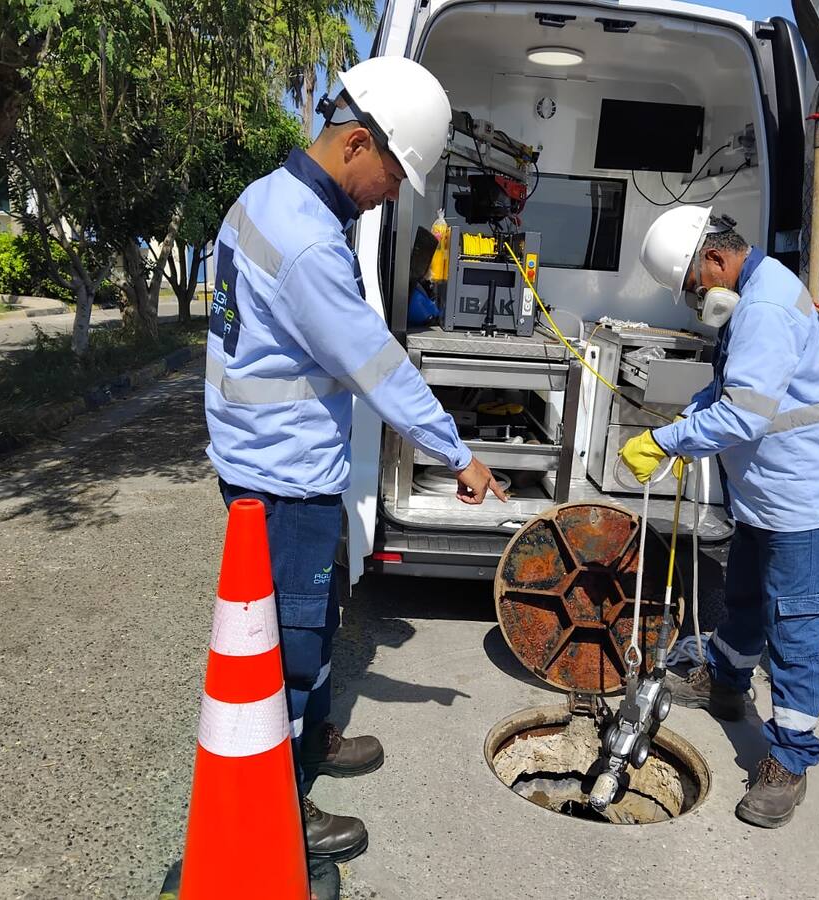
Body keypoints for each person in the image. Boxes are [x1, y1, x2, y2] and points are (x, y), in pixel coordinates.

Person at [204, 56, 506, 863]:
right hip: (283, 479)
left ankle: (313, 744)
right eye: (396, 171)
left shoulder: (263, 198)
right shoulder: (309, 243)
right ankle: (283, 807)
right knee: (293, 646)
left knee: (319, 615)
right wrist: (458, 453)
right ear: (356, 145)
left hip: (258, 461)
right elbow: (377, 365)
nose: (395, 192)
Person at [619, 205, 819, 829]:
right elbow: (728, 389)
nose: (697, 300)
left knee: (796, 632)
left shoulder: (765, 308)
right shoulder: (753, 290)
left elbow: (746, 416)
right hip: (767, 496)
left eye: (695, 287)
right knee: (746, 601)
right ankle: (725, 683)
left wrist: (670, 443)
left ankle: (790, 761)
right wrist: (681, 422)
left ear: (717, 260)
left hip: (803, 503)